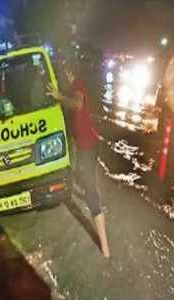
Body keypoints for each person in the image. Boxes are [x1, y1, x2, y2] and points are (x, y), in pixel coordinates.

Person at [46, 60, 110, 258]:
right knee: (85, 177)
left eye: (64, 72)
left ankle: (106, 250)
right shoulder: (75, 86)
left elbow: (77, 103)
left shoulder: (78, 84)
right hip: (87, 144)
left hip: (89, 145)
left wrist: (58, 96)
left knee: (90, 190)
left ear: (68, 72)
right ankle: (96, 199)